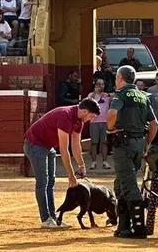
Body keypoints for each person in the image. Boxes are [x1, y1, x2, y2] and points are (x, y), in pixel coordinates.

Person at [23, 97, 100, 228]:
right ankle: (46, 219)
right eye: (92, 116)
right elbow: (64, 150)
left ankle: (53, 218)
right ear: (85, 112)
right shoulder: (66, 116)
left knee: (50, 181)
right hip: (35, 144)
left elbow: (76, 146)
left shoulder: (78, 122)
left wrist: (81, 166)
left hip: (48, 146)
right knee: (42, 182)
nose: (91, 120)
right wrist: (70, 174)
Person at [106, 65, 158, 239]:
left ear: (120, 78)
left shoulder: (121, 95)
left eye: (116, 78)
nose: (115, 81)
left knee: (128, 186)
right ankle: (123, 226)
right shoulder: (143, 96)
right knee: (120, 184)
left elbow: (112, 113)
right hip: (137, 145)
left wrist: (110, 128)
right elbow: (154, 124)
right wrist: (146, 145)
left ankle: (138, 228)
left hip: (124, 145)